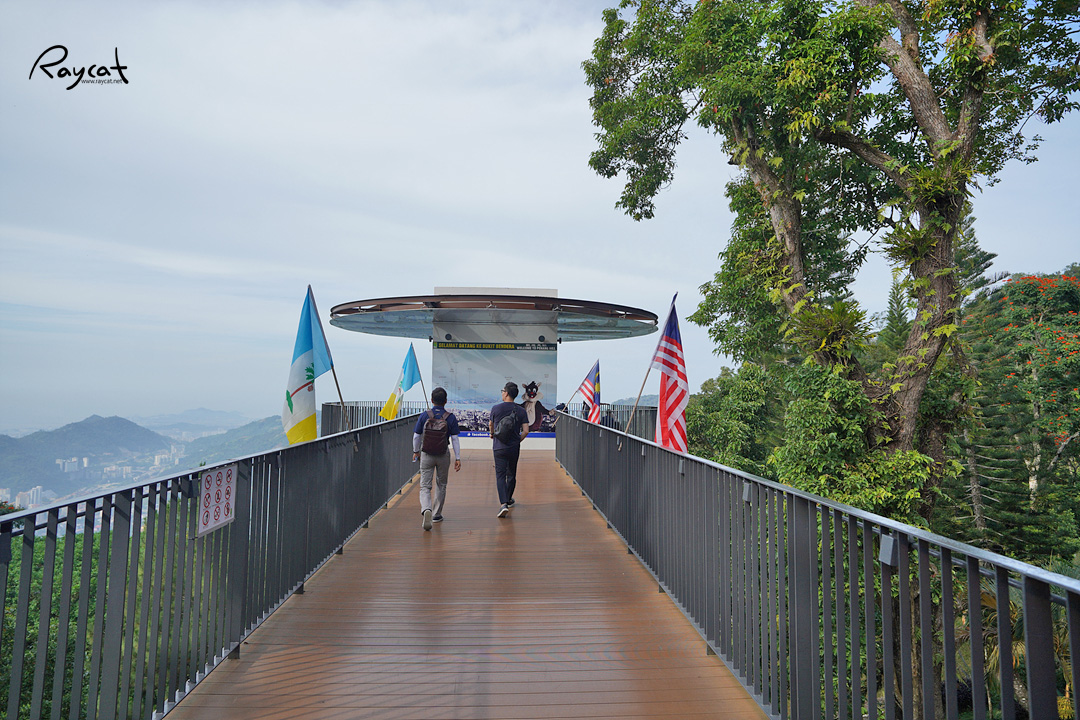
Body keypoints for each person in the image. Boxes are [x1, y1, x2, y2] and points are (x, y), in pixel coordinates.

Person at [412, 387, 461, 531]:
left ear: (432, 400)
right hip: (443, 454)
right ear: (445, 401)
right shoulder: (450, 417)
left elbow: (416, 436)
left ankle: (426, 509)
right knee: (441, 484)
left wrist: (416, 451)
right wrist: (458, 458)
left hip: (426, 454)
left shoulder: (424, 415)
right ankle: (436, 514)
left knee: (425, 486)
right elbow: (455, 439)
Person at [489, 381, 530, 518]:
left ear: (506, 393)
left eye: (502, 391)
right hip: (513, 448)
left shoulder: (496, 408)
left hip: (499, 447)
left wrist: (492, 434)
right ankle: (508, 498)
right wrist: (517, 440)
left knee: (500, 475)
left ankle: (503, 504)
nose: (502, 393)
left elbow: (491, 425)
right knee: (511, 474)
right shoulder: (521, 410)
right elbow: (526, 430)